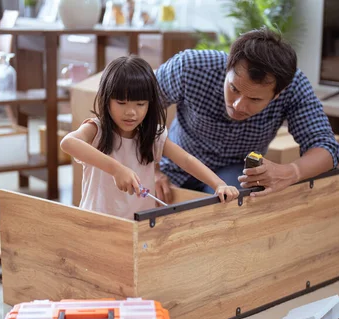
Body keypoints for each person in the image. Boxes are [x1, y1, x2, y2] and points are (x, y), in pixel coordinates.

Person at [154, 27, 339, 203]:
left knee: (237, 205)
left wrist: (291, 171)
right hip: (173, 166)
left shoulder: (294, 87)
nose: (238, 105)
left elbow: (327, 147)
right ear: (228, 67)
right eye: (234, 88)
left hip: (234, 172)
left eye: (254, 99)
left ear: (278, 94)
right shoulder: (190, 67)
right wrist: (150, 169)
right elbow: (137, 106)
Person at [61, 55, 240, 219]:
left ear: (150, 104)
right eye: (121, 103)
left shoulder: (153, 135)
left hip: (140, 224)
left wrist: (218, 184)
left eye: (140, 104)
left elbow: (186, 159)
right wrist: (116, 169)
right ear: (106, 100)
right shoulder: (96, 130)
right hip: (98, 223)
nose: (131, 112)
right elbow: (68, 143)